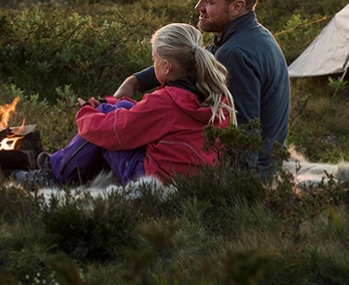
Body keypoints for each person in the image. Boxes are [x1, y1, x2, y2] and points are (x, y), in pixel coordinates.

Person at [114, 0, 290, 175]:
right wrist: (136, 81)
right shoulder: (253, 35)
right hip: (265, 165)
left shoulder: (234, 54)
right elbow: (197, 58)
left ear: (236, 7)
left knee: (121, 146)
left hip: (247, 174)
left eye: (208, 1)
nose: (198, 7)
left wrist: (235, 190)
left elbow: (242, 133)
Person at [16, 23, 236, 187]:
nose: (154, 64)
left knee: (102, 125)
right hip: (193, 176)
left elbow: (114, 132)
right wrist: (113, 103)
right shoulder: (216, 94)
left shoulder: (167, 101)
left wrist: (86, 112)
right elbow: (143, 116)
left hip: (156, 179)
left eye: (155, 59)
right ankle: (59, 165)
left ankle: (52, 176)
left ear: (167, 67)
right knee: (115, 109)